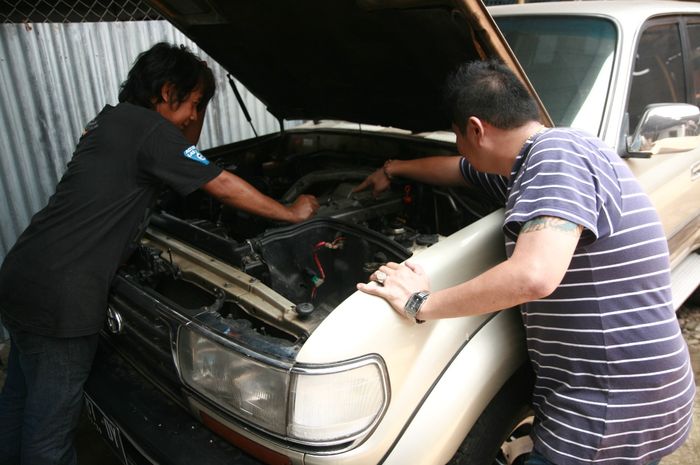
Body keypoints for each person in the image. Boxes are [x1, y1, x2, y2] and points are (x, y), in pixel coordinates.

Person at [354, 60, 694, 465]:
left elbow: (534, 276)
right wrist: (393, 169)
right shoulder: (534, 164)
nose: (459, 146)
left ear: (476, 129)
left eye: (457, 135)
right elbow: (461, 171)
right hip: (628, 396)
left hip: (607, 411)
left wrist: (420, 302)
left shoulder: (557, 155)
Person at [0, 42, 318, 465]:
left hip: (23, 274)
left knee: (19, 401)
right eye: (193, 103)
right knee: (49, 436)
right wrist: (291, 212)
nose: (193, 116)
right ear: (168, 92)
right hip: (62, 299)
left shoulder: (109, 120)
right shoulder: (152, 131)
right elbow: (221, 184)